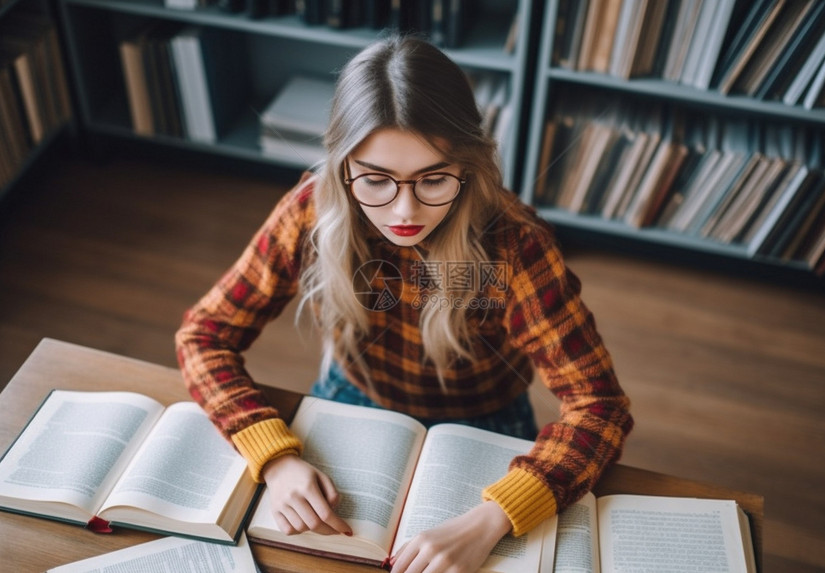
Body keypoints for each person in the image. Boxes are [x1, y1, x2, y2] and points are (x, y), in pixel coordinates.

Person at [176, 35, 633, 573]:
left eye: (433, 179)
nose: (403, 211)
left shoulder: (516, 245)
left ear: (469, 165)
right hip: (353, 398)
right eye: (375, 180)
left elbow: (599, 404)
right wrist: (274, 458)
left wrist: (496, 517)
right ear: (342, 166)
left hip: (483, 421)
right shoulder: (311, 211)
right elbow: (204, 334)